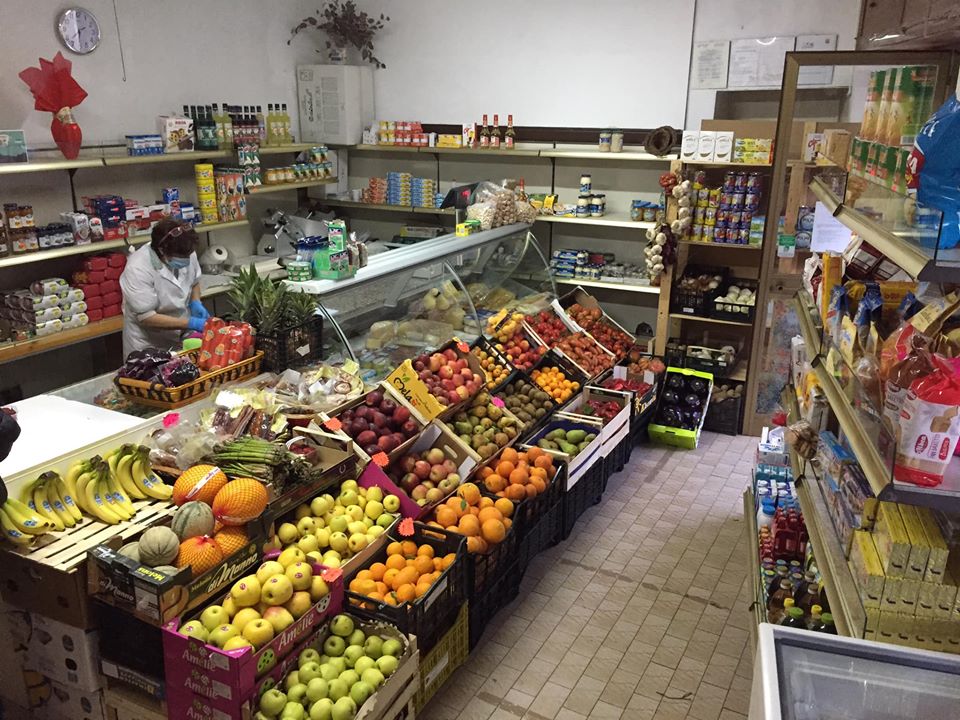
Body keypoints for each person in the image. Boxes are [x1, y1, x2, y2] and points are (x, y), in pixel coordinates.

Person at [119, 218, 209, 356]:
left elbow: (194, 281)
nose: (187, 259)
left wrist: (196, 302)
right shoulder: (137, 268)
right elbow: (147, 317)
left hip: (180, 337)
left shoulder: (186, 251)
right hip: (149, 344)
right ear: (161, 250)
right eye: (180, 257)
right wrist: (191, 323)